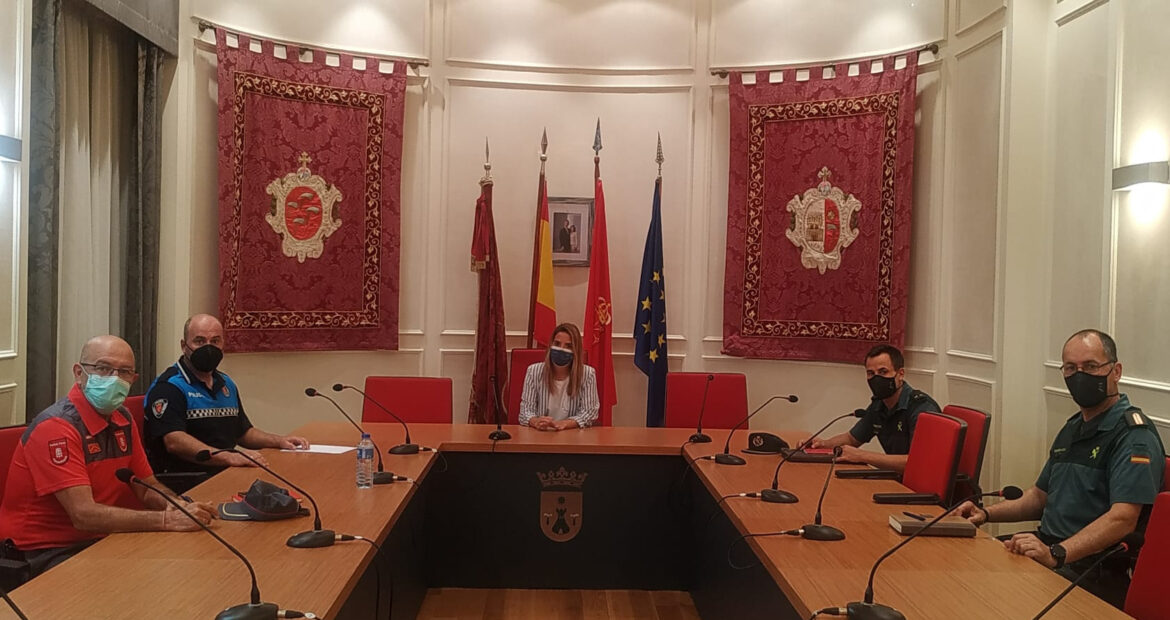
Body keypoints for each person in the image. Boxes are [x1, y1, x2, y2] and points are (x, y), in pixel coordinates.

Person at [955, 329, 1164, 608]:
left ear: (1116, 372)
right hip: (1051, 553)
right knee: (963, 571)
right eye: (1070, 368)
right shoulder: (1074, 427)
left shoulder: (1134, 436)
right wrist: (985, 514)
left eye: (1091, 366)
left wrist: (1056, 553)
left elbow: (1123, 519)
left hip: (1094, 571)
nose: (1080, 376)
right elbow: (1039, 497)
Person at [0, 336, 216, 579]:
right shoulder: (56, 428)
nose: (114, 378)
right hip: (43, 552)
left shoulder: (122, 417)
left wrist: (177, 505)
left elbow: (146, 487)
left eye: (124, 372)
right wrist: (167, 520)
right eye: (103, 368)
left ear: (133, 379)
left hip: (100, 539)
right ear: (79, 373)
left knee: (189, 569)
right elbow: (84, 516)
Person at [143, 314, 309, 478]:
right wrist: (230, 457)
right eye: (199, 341)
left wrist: (279, 441)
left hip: (226, 471)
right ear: (183, 345)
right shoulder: (169, 386)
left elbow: (243, 433)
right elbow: (174, 442)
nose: (208, 348)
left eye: (215, 341)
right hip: (186, 477)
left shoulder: (226, 383)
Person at [809, 344, 939, 472]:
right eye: (871, 373)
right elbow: (851, 439)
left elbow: (918, 463)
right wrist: (822, 445)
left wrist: (862, 456)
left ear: (900, 374)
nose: (876, 378)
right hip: (895, 478)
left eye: (883, 372)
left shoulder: (922, 408)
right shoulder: (879, 405)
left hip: (918, 483)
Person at [519, 323, 599, 431]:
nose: (561, 349)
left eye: (568, 346)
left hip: (571, 434)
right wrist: (536, 421)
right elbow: (525, 412)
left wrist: (564, 424)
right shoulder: (533, 371)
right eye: (557, 344)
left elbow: (589, 413)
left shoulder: (588, 374)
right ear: (550, 345)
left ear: (576, 350)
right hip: (540, 434)